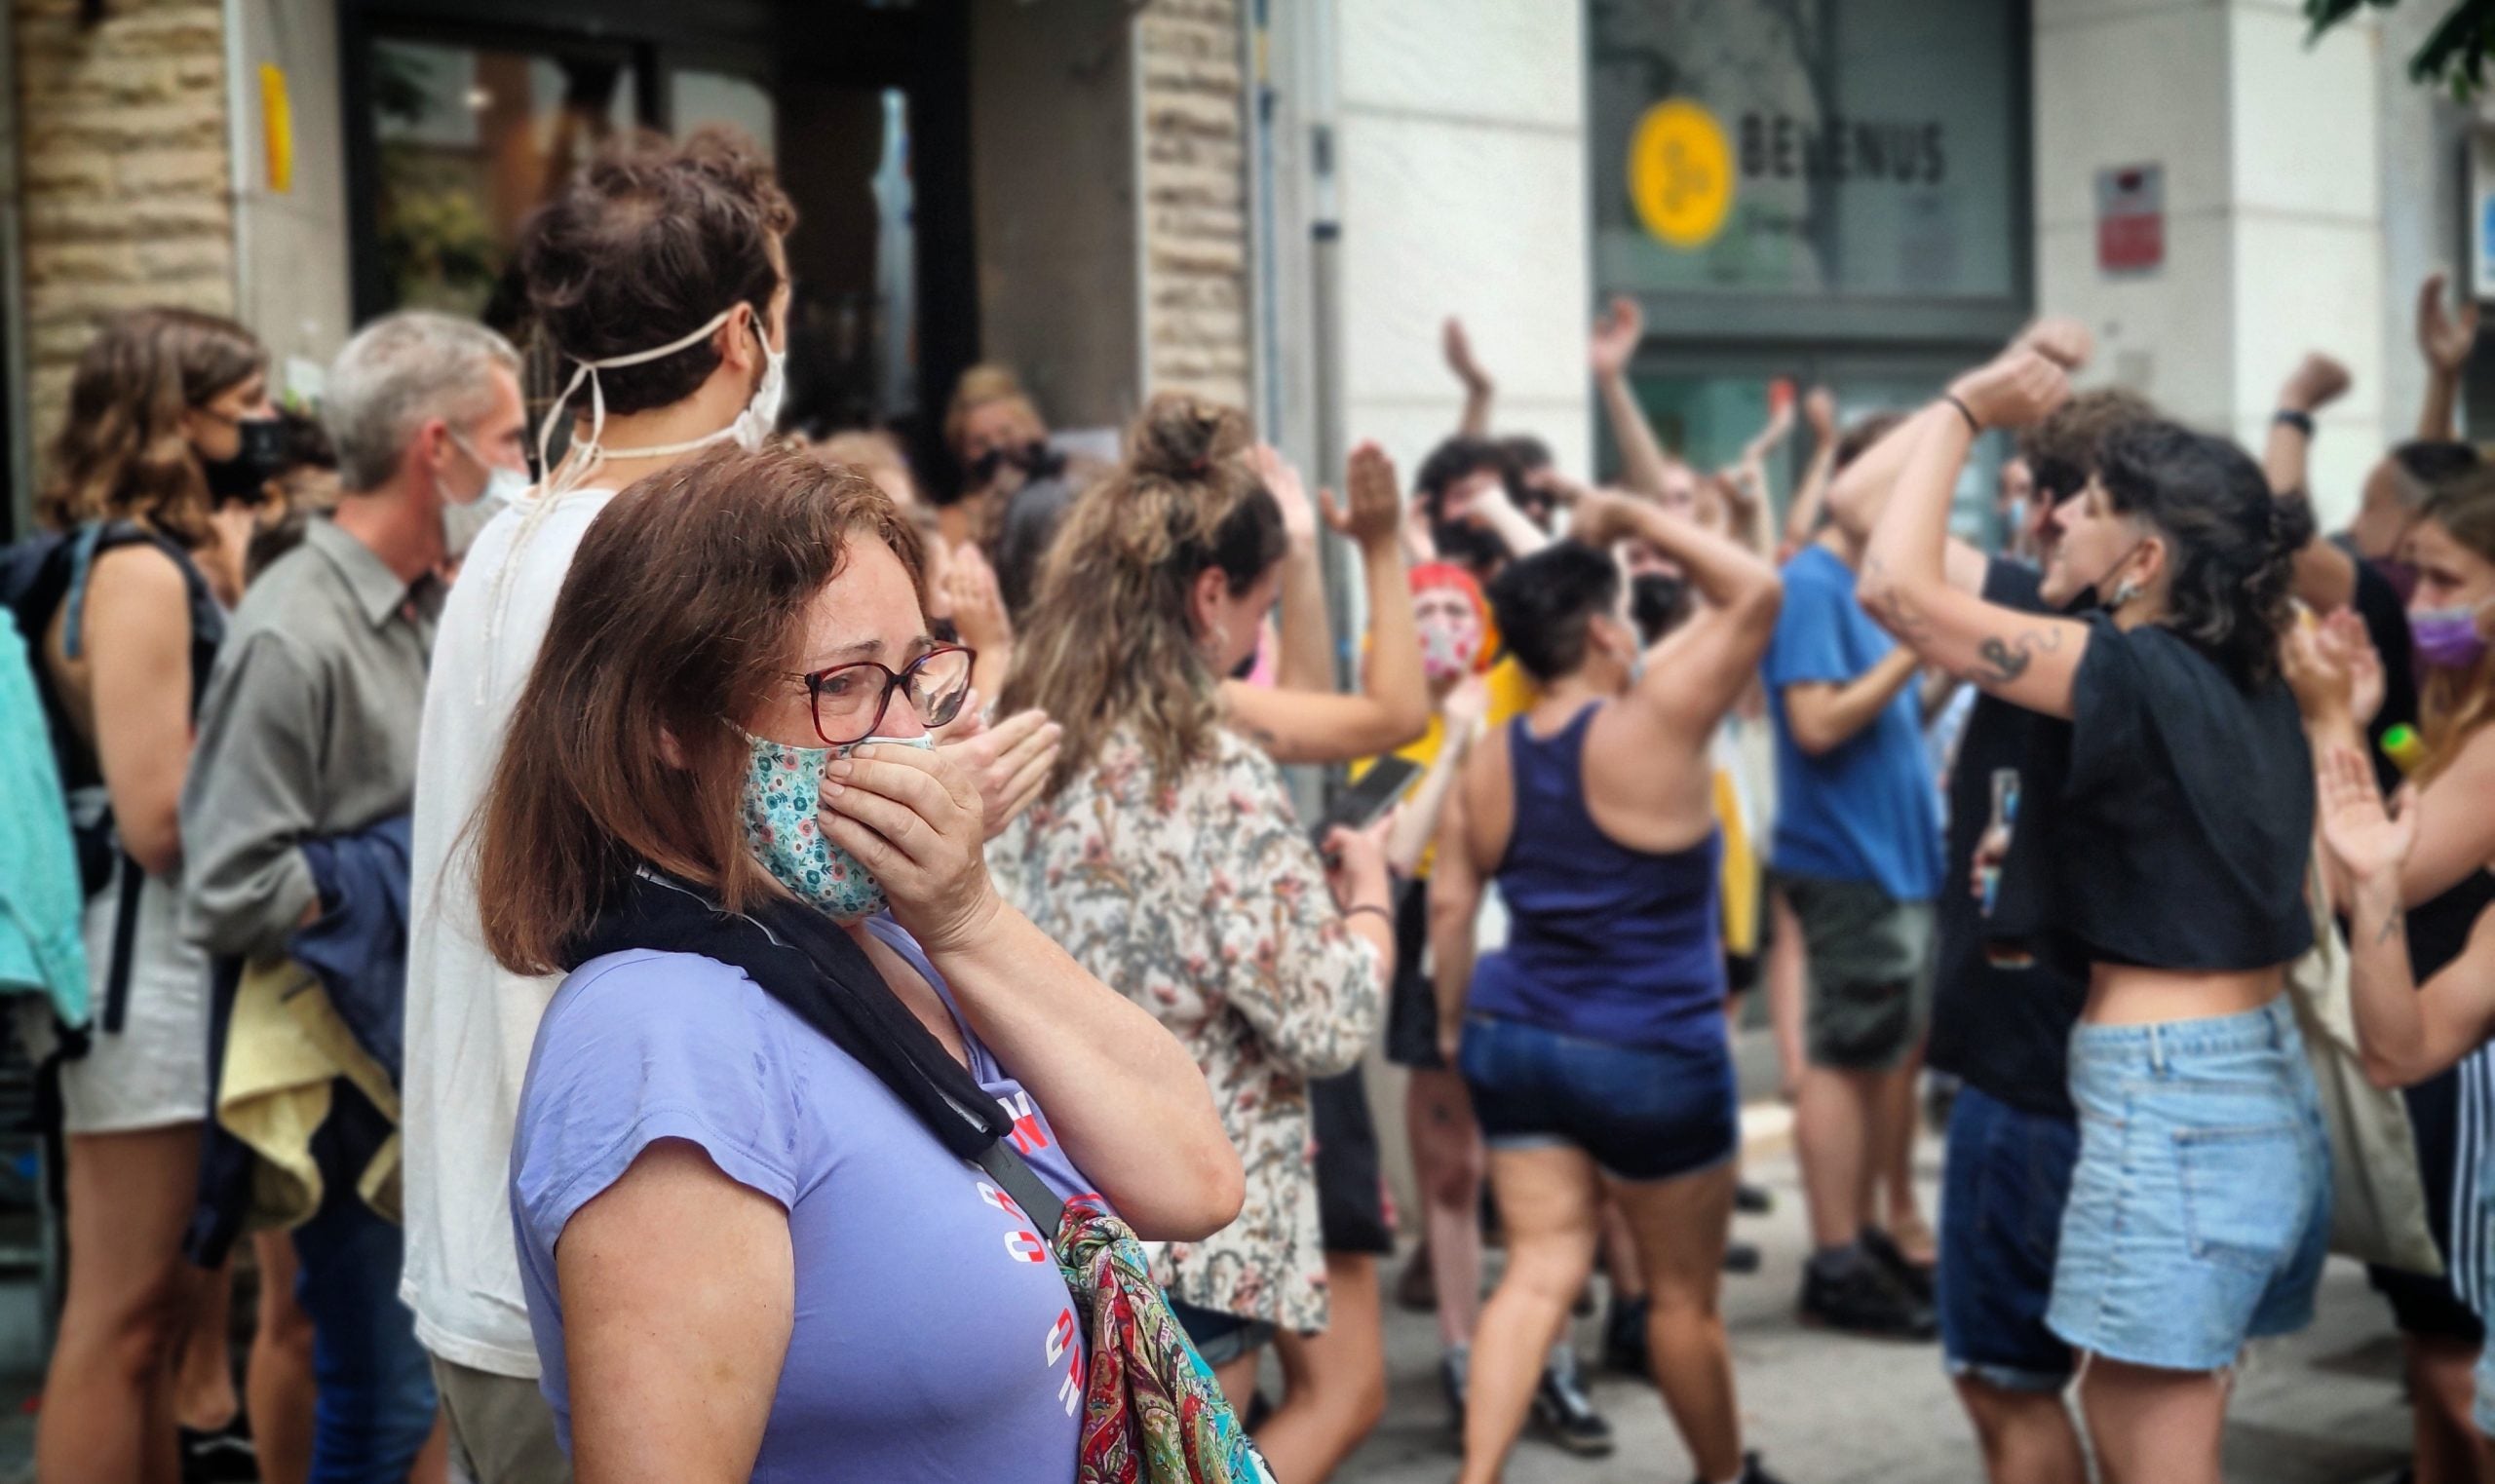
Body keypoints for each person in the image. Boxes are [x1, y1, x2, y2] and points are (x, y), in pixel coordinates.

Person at [474, 444, 1239, 1481]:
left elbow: (1192, 1178)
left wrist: (966, 915)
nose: (901, 737)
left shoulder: (874, 932)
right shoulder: (658, 1039)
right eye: (843, 685)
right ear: (671, 721)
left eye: (915, 671)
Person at [399, 126, 798, 1484]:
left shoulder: (512, 532)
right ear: (743, 333)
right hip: (616, 1236)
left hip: (492, 1215)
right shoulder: (673, 559)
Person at [1859, 327, 2327, 1484]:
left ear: (2143, 558)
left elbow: (1890, 585)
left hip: (2176, 1097)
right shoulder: (2251, 669)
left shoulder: (2130, 669)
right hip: (2246, 1083)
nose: (2054, 518)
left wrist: (1966, 407)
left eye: (2085, 506)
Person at [182, 310, 527, 1483]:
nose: (520, 466)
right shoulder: (296, 629)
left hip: (412, 1048)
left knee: (418, 1388)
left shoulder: (436, 601)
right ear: (439, 447)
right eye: (509, 437)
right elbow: (226, 881)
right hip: (345, 1063)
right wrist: (385, 870)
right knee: (377, 1398)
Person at [993, 396, 1393, 1411]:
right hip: (1188, 1226)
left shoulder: (1030, 741)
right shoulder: (1213, 773)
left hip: (1051, 1208)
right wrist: (1370, 902)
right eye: (1263, 608)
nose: (1256, 632)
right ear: (1210, 596)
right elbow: (1324, 1019)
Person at [1824, 375, 2153, 1484]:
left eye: (2043, 495)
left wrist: (1973, 400)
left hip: (2033, 1076)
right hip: (2144, 1071)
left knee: (2008, 1380)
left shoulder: (2043, 620)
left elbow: (1861, 512)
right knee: (2141, 1393)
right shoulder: (2196, 650)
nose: (2030, 517)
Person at [1434, 487, 1786, 1484]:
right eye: (1626, 614)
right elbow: (1756, 590)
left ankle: (1476, 1476)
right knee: (1680, 1299)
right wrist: (1629, 513)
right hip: (1650, 1052)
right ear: (1598, 631)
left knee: (1539, 1268)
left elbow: (1453, 912)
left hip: (1516, 1036)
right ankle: (1724, 1475)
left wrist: (1459, 1029)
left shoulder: (1488, 756)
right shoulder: (1656, 724)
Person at [19, 307, 269, 1484]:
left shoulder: (124, 556)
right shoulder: (132, 567)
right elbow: (156, 811)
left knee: (154, 1317)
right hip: (142, 966)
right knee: (122, 1316)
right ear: (181, 418)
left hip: (152, 959)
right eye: (249, 406)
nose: (267, 429)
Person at [2289, 464, 2495, 1484]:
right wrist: (2370, 724)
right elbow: (2422, 770)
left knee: (2456, 1348)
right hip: (2430, 1032)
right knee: (2437, 1340)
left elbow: (2362, 875)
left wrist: (2327, 727)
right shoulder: (2463, 705)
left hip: (2457, 1079)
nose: (2421, 605)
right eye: (2412, 577)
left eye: (2445, 580)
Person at [1761, 412, 1946, 1340]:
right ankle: (1835, 1257)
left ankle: (1865, 1236)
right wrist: (1922, 641)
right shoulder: (1812, 584)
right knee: (1842, 1059)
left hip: (1898, 860)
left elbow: (1888, 716)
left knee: (1879, 1057)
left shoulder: (1864, 589)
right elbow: (1817, 723)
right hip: (1849, 862)